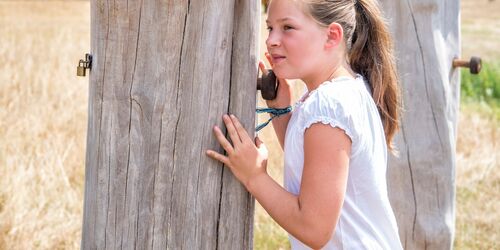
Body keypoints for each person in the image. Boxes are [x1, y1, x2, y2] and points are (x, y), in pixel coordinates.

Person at [206, 0, 403, 249]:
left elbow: (314, 228)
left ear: (331, 36)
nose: (271, 40)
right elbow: (313, 168)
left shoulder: (329, 104)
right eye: (269, 28)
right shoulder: (349, 91)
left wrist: (254, 176)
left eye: (287, 27)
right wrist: (281, 111)